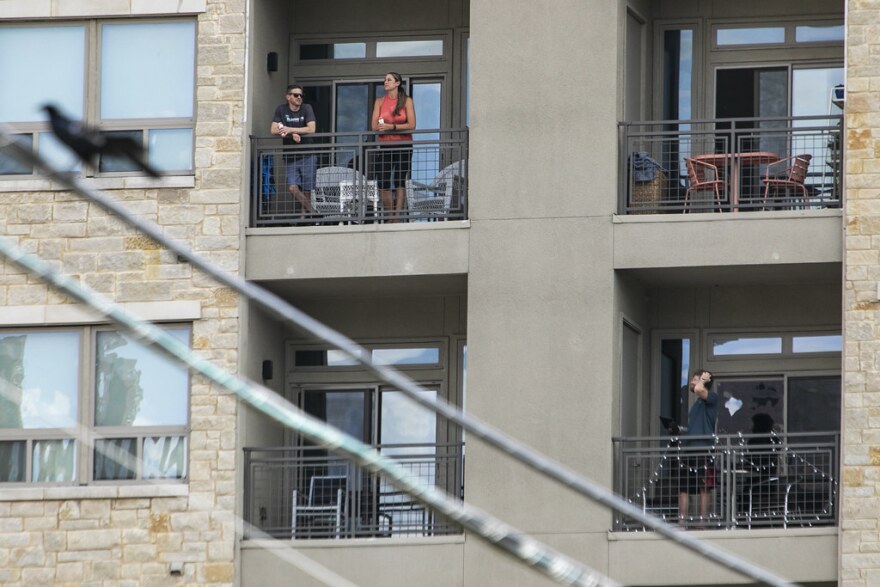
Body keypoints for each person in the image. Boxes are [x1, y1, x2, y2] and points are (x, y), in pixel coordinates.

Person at [371, 72, 416, 221]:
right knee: (383, 181)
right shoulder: (379, 101)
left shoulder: (407, 101)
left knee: (399, 180)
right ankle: (390, 215)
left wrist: (392, 127)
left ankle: (397, 217)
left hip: (404, 145)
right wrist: (382, 127)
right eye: (385, 80)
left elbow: (412, 125)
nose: (386, 82)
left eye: (389, 80)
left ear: (397, 83)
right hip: (385, 146)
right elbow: (373, 126)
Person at [675, 369, 718, 524]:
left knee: (703, 488)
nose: (692, 382)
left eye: (695, 379)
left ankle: (703, 522)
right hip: (689, 450)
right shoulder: (696, 404)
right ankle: (681, 522)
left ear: (704, 381)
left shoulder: (711, 397)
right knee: (684, 488)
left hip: (704, 450)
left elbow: (700, 389)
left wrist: (704, 379)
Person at [271, 85, 317, 217]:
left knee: (308, 189)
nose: (299, 98)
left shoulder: (306, 108)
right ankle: (313, 212)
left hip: (308, 153)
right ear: (288, 97)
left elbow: (311, 129)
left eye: (301, 95)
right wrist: (292, 135)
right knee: (292, 187)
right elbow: (274, 129)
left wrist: (290, 130)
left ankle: (305, 217)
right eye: (296, 95)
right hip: (291, 155)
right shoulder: (281, 109)